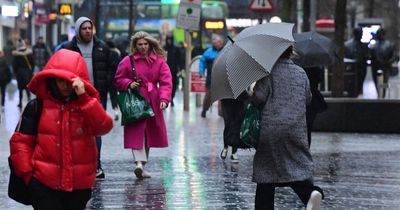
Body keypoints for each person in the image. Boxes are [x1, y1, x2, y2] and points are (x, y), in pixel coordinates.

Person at [9, 49, 113, 210]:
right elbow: (20, 143)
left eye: (69, 81)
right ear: (52, 80)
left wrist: (85, 98)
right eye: (60, 81)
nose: (65, 86)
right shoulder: (37, 107)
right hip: (43, 185)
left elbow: (103, 127)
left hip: (78, 188)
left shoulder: (86, 105)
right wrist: (29, 176)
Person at [251, 46, 324, 210]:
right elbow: (308, 98)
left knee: (266, 173)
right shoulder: (301, 73)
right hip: (295, 129)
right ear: (290, 52)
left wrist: (251, 92)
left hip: (271, 129)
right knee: (295, 167)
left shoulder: (267, 73)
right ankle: (310, 194)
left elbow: (259, 98)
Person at [61, 16, 117, 179]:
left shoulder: (102, 48)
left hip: (96, 96)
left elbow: (112, 67)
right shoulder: (68, 48)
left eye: (89, 28)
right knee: (74, 130)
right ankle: (75, 164)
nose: (87, 31)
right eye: (84, 28)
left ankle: (96, 165)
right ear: (78, 30)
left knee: (95, 130)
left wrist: (105, 83)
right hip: (74, 96)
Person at [114, 31, 172, 179]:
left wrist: (164, 99)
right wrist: (128, 83)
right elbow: (118, 79)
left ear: (150, 44)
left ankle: (142, 165)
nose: (143, 47)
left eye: (145, 44)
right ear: (135, 45)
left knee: (149, 134)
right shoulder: (128, 61)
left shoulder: (159, 61)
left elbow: (166, 82)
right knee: (136, 132)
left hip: (153, 100)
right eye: (140, 44)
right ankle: (139, 163)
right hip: (135, 100)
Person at [199, 34, 224, 118]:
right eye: (218, 42)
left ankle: (221, 113)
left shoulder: (225, 51)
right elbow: (202, 62)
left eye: (220, 42)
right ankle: (204, 110)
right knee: (208, 96)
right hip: (211, 78)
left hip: (222, 78)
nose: (219, 43)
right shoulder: (208, 52)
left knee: (222, 97)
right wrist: (201, 72)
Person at [220, 91, 249, 163]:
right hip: (227, 104)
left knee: (236, 127)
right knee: (227, 125)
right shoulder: (224, 82)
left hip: (238, 104)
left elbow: (244, 95)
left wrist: (248, 95)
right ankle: (225, 147)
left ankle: (234, 153)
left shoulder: (239, 81)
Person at [304, 66, 327, 147]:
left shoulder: (301, 69)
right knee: (308, 127)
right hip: (313, 100)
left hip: (304, 99)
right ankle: (307, 146)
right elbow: (320, 79)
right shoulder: (317, 67)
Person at [370, 28, 397, 98]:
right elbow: (370, 57)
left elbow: (394, 56)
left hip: (385, 67)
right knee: (377, 84)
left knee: (383, 84)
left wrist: (388, 62)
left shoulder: (389, 45)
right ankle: (380, 97)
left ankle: (382, 97)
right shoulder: (373, 46)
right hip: (376, 67)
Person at [344, 27, 369, 96]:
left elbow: (367, 56)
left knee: (358, 87)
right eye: (360, 33)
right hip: (351, 70)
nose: (361, 35)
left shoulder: (364, 46)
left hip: (361, 70)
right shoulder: (347, 45)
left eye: (362, 33)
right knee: (351, 87)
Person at [12, 39, 34, 108]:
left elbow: (14, 65)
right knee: (27, 87)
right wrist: (31, 71)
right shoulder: (29, 53)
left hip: (19, 73)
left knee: (20, 88)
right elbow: (32, 63)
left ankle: (20, 103)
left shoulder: (16, 55)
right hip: (27, 72)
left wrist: (15, 72)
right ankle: (29, 101)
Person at [105, 40, 121, 121]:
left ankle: (103, 114)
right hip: (114, 79)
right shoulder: (117, 54)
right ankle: (116, 112)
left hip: (105, 78)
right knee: (113, 96)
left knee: (103, 97)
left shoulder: (106, 53)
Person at [163, 34, 181, 106]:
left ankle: (171, 98)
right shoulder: (164, 48)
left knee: (174, 85)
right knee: (165, 85)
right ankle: (165, 99)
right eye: (168, 39)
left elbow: (179, 59)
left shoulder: (176, 49)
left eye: (170, 39)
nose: (169, 41)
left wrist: (179, 68)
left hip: (174, 70)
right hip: (164, 70)